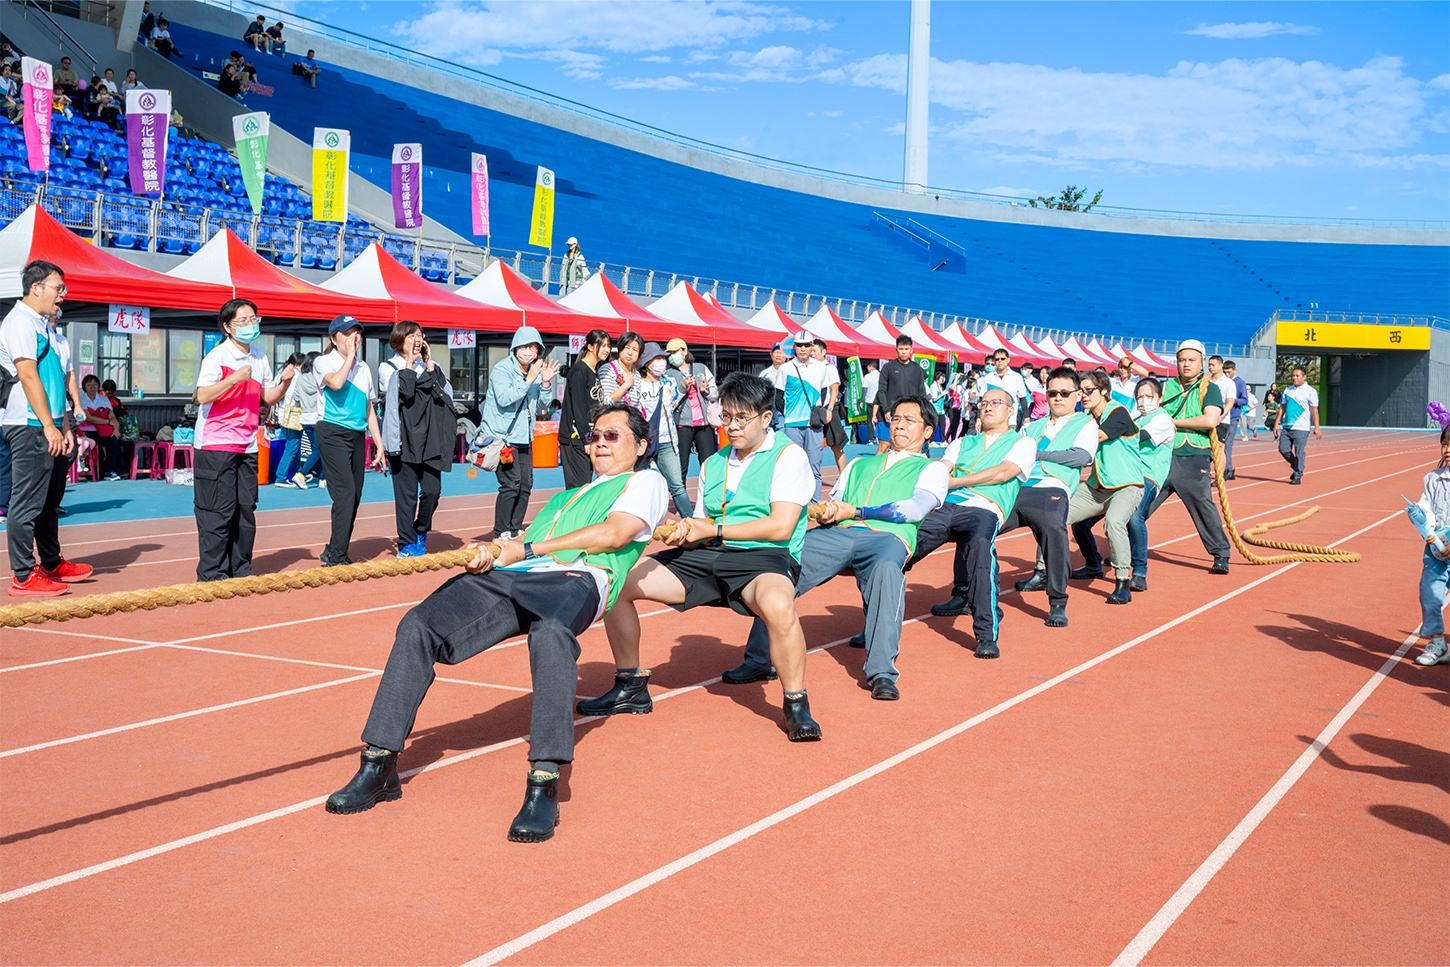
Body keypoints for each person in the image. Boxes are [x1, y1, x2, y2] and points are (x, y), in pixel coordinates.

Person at [324, 402, 668, 840]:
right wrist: (494, 555)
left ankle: (544, 782)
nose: (599, 442)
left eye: (612, 435)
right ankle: (379, 763)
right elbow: (522, 546)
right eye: (594, 435)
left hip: (576, 578)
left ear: (640, 445)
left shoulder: (646, 480)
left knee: (551, 635)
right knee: (419, 624)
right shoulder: (566, 497)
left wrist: (527, 550)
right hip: (515, 577)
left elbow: (615, 534)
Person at [580, 373, 822, 740]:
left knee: (778, 605)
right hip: (712, 552)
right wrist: (687, 531)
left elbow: (780, 528)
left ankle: (796, 702)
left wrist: (713, 530)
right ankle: (630, 684)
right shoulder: (714, 463)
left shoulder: (790, 456)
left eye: (743, 418)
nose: (732, 427)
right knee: (617, 581)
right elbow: (705, 522)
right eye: (726, 417)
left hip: (766, 559)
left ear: (766, 418)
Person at [725, 394, 948, 700]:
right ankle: (759, 659)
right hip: (839, 532)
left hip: (887, 538)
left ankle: (882, 672)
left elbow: (913, 509)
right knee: (778, 566)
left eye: (910, 420)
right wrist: (829, 511)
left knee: (886, 573)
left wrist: (856, 512)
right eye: (895, 418)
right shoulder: (859, 464)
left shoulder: (932, 469)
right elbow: (837, 502)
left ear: (927, 431)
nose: (899, 425)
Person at [907, 388, 1036, 658]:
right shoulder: (963, 442)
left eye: (996, 402)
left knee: (980, 551)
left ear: (1010, 410)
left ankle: (986, 634)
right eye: (984, 403)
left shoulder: (1022, 443)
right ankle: (874, 623)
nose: (988, 407)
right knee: (900, 547)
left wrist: (956, 481)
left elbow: (1003, 473)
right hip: (948, 506)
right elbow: (944, 466)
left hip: (985, 508)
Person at [0, 261, 91, 597]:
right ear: (35, 287)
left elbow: (57, 382)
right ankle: (23, 574)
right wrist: (49, 426)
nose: (63, 295)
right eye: (58, 287)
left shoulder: (46, 327)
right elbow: (28, 376)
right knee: (26, 503)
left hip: (51, 424)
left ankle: (51, 562)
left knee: (50, 501)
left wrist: (65, 426)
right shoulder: (20, 322)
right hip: (28, 424)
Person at [193, 299, 295, 582]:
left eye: (254, 320)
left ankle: (241, 568)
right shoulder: (217, 356)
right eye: (243, 321)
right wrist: (235, 378)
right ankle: (212, 573)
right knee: (217, 511)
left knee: (245, 509)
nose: (251, 326)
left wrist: (285, 382)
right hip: (215, 444)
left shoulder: (260, 357)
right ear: (227, 327)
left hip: (247, 443)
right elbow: (202, 395)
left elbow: (268, 398)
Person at [1007, 367, 1099, 627]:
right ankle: (963, 591)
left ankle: (1057, 601)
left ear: (1077, 395)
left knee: (1055, 533)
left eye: (1065, 393)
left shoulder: (1086, 423)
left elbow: (1082, 456)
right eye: (1052, 393)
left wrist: (1038, 454)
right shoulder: (1030, 427)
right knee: (977, 524)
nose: (1058, 398)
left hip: (1052, 488)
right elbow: (1013, 455)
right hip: (1019, 488)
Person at [1073, 377, 1175, 593]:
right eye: (1139, 396)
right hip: (1115, 475)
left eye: (1149, 396)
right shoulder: (1135, 417)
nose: (1144, 400)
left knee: (1133, 517)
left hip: (1145, 476)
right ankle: (1093, 564)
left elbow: (1137, 437)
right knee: (1079, 524)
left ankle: (1139, 572)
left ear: (1160, 398)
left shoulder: (1162, 419)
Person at [1145, 339, 1232, 574]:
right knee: (1138, 504)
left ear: (1202, 363)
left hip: (1193, 456)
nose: (1186, 364)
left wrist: (1172, 423)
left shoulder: (1210, 388)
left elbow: (1211, 420)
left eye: (1192, 360)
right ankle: (1121, 550)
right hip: (1161, 455)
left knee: (1203, 505)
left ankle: (1221, 553)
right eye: (1181, 360)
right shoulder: (1165, 387)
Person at [1062, 370, 1145, 605]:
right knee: (1057, 515)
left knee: (1114, 522)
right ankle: (1049, 570)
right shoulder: (1085, 417)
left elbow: (1091, 439)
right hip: (1098, 486)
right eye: (1081, 392)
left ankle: (1122, 582)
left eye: (1089, 390)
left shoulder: (1117, 412)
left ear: (1104, 391)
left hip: (1127, 485)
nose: (1084, 395)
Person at [315, 315, 385, 566]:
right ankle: (337, 556)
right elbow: (335, 383)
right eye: (346, 333)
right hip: (332, 431)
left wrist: (378, 442)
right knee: (344, 493)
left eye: (356, 333)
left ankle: (333, 548)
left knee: (355, 494)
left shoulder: (364, 368)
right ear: (334, 339)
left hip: (356, 434)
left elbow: (368, 408)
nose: (353, 337)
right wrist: (350, 358)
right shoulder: (324, 362)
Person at [380, 322, 454, 557]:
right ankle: (406, 542)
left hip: (430, 441)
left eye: (420, 335)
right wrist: (411, 365)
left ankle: (420, 530)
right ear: (400, 340)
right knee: (406, 497)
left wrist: (430, 365)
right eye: (411, 335)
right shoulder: (389, 367)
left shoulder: (434, 368)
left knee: (433, 491)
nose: (416, 339)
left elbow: (447, 396)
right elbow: (404, 393)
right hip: (403, 441)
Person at [479, 325, 558, 540]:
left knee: (526, 485)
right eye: (524, 347)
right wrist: (530, 379)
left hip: (525, 437)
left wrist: (546, 382)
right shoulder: (502, 369)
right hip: (504, 438)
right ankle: (501, 530)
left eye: (533, 348)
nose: (529, 352)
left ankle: (514, 528)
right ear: (515, 348)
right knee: (510, 484)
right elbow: (504, 399)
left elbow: (544, 405)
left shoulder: (535, 371)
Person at [635, 342, 690, 517]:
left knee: (677, 486)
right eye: (657, 358)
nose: (661, 362)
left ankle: (691, 522)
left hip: (667, 440)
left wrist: (682, 389)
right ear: (646, 362)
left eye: (662, 358)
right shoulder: (636, 383)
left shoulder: (669, 381)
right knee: (636, 483)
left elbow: (673, 404)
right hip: (643, 442)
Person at [1413, 426, 1450, 666]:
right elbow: (1425, 507)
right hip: (1437, 551)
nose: (1447, 450)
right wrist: (1428, 527)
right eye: (1444, 444)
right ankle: (1438, 642)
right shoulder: (1433, 478)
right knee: (1430, 595)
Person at [779, 332, 830, 497]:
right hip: (792, 425)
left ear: (811, 346)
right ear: (794, 346)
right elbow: (777, 396)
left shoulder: (821, 367)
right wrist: (788, 414)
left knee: (814, 466)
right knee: (792, 466)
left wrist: (823, 411)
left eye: (806, 345)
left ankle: (815, 506)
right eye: (799, 345)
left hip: (814, 425)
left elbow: (826, 392)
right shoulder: (785, 368)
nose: (803, 348)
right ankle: (792, 503)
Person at [560, 329, 610, 489]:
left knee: (585, 485)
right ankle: (567, 514)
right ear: (590, 346)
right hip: (576, 438)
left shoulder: (594, 371)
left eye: (608, 346)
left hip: (588, 437)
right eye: (602, 346)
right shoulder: (580, 371)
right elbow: (578, 408)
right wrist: (586, 439)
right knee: (577, 487)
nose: (606, 350)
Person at [665, 337, 718, 490]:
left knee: (707, 461)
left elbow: (714, 393)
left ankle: (709, 493)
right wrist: (682, 388)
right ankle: (681, 499)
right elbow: (670, 401)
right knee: (682, 463)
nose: (672, 356)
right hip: (682, 424)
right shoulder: (668, 374)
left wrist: (706, 391)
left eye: (675, 352)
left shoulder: (701, 368)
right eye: (670, 353)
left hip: (704, 424)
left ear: (685, 351)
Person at [875, 336, 926, 455]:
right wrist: (886, 410)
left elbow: (922, 393)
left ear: (911, 350)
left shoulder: (917, 369)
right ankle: (874, 472)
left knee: (907, 447)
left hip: (909, 415)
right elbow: (881, 391)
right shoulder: (888, 367)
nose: (904, 352)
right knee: (884, 446)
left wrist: (923, 412)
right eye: (901, 349)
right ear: (896, 349)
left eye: (906, 349)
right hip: (889, 414)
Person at [1275, 365, 1321, 485]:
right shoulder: (1287, 390)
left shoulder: (1311, 391)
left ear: (1304, 377)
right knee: (1283, 449)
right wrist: (1276, 424)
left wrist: (1317, 427)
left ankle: (1297, 475)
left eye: (1297, 375)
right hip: (1287, 427)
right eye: (1293, 375)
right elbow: (1282, 408)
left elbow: (1315, 410)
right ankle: (1297, 466)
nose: (1294, 378)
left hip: (1302, 427)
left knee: (1299, 451)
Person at [271, 351, 310, 489]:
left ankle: (299, 474)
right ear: (298, 365)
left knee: (294, 445)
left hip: (282, 415)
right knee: (292, 446)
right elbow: (299, 398)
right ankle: (281, 476)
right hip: (294, 415)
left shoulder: (278, 377)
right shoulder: (298, 377)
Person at [811, 338, 847, 472]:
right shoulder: (809, 368)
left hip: (828, 408)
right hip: (814, 410)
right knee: (813, 445)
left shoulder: (829, 368)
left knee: (836, 445)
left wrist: (830, 409)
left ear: (824, 351)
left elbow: (835, 389)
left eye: (814, 350)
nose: (812, 353)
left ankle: (843, 475)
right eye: (811, 351)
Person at [76, 374, 121, 480]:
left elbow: (112, 415)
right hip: (87, 431)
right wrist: (108, 421)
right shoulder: (81, 400)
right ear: (84, 386)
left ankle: (110, 471)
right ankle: (85, 466)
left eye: (95, 384)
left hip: (104, 431)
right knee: (90, 442)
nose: (92, 387)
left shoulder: (104, 399)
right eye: (89, 384)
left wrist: (115, 429)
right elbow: (89, 418)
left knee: (114, 440)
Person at [980, 349, 1030, 430]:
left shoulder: (1016, 377)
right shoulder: (988, 378)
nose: (1000, 361)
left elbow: (1023, 398)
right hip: (991, 420)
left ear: (1008, 360)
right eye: (997, 359)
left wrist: (1027, 417)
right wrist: (979, 419)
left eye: (1003, 359)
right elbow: (982, 399)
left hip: (1010, 421)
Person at [598, 330, 641, 406]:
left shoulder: (637, 374)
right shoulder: (607, 369)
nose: (630, 353)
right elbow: (604, 402)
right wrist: (626, 385)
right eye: (627, 348)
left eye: (635, 350)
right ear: (620, 348)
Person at [1223, 360, 1249, 473]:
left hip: (1232, 417)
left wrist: (1232, 400)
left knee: (1227, 445)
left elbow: (1245, 400)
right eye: (1225, 372)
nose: (1227, 375)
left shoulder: (1240, 383)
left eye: (1229, 372)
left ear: (1235, 370)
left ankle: (1227, 470)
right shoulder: (1222, 381)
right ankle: (1228, 469)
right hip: (1221, 417)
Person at [759, 340, 788, 430]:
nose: (778, 355)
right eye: (776, 352)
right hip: (768, 409)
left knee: (781, 434)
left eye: (781, 352)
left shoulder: (790, 372)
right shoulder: (765, 373)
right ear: (771, 354)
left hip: (783, 410)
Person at [860, 361, 879, 444]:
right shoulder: (881, 375)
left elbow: (864, 389)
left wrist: (861, 401)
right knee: (880, 420)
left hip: (870, 400)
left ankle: (870, 439)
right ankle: (880, 438)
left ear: (870, 367)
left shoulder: (867, 377)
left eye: (867, 367)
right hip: (879, 401)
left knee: (870, 420)